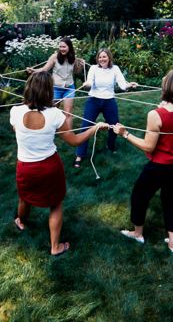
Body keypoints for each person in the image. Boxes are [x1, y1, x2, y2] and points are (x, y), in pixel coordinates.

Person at [10, 72, 108, 256]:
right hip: (49, 168)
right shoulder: (56, 115)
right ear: (48, 92)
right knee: (55, 204)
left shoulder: (15, 111)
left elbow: (18, 129)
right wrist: (94, 128)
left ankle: (21, 222)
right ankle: (55, 247)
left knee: (24, 197)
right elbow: (75, 141)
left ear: (28, 89)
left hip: (25, 167)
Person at [113, 69, 173, 254]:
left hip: (160, 167)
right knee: (170, 200)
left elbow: (148, 147)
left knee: (139, 196)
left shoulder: (156, 114)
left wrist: (125, 134)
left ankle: (138, 233)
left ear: (167, 88)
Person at [74, 48, 137, 168]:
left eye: (104, 57)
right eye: (100, 57)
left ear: (109, 58)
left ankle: (111, 146)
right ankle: (80, 154)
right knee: (85, 126)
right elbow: (89, 83)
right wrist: (87, 85)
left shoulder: (115, 69)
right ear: (97, 58)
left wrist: (130, 85)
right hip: (94, 100)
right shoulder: (93, 68)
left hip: (109, 101)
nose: (102, 59)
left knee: (114, 125)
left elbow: (122, 85)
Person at [26, 37, 84, 129]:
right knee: (52, 110)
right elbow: (44, 69)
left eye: (64, 47)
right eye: (60, 46)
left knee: (68, 112)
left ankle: (68, 134)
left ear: (69, 47)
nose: (62, 49)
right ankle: (49, 129)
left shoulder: (73, 58)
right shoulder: (54, 57)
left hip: (69, 88)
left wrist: (80, 65)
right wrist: (34, 70)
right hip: (55, 88)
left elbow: (77, 72)